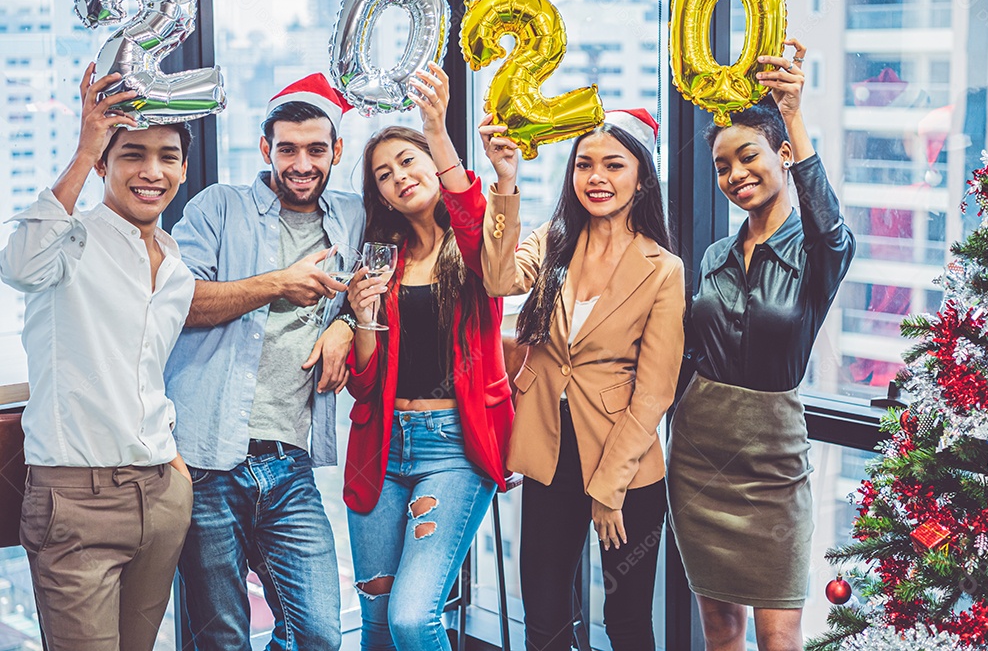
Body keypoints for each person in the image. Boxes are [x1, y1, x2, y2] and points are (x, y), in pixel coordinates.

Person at [164, 73, 365, 650]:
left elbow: (381, 280)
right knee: (222, 637)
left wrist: (346, 326)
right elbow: (179, 305)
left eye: (316, 149)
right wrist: (277, 284)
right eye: (288, 149)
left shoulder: (352, 217)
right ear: (265, 149)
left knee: (320, 634)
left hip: (288, 465)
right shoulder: (217, 207)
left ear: (337, 152)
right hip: (205, 462)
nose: (302, 163)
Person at [666, 39, 856, 651]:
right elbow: (689, 350)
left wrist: (794, 114)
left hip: (775, 462)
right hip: (699, 454)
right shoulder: (716, 255)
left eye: (747, 157)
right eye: (722, 167)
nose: (734, 176)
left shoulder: (818, 250)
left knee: (780, 634)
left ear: (781, 153)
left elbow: (831, 224)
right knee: (720, 631)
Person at [0, 63, 194, 651]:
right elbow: (18, 265)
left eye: (167, 156)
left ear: (184, 170)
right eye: (132, 153)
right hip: (74, 502)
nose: (151, 171)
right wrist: (84, 149)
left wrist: (174, 466)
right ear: (106, 163)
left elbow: (142, 376)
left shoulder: (176, 266)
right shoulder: (70, 242)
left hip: (161, 494)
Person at [478, 108, 685, 651]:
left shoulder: (663, 268)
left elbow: (656, 390)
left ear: (641, 177)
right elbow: (498, 278)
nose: (596, 177)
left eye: (614, 165)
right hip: (548, 452)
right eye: (584, 164)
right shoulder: (554, 240)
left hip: (625, 465)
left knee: (627, 621)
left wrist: (609, 490)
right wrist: (505, 180)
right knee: (544, 616)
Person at [342, 63, 513, 651]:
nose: (399, 178)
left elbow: (470, 217)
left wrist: (435, 130)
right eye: (384, 175)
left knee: (414, 621)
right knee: (376, 624)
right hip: (380, 446)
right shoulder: (382, 258)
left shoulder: (474, 246)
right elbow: (364, 383)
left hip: (452, 447)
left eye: (407, 162)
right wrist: (362, 315)